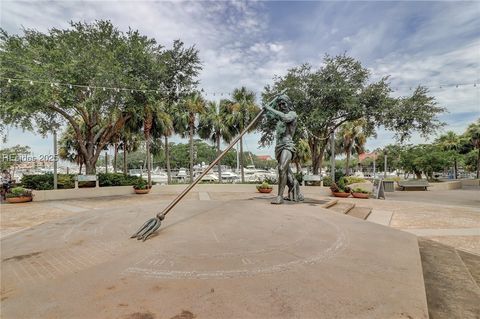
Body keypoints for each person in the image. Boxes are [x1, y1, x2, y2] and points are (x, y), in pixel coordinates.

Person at [264, 94, 304, 204]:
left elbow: (285, 117)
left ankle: (279, 197)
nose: (281, 106)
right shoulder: (279, 117)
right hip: (279, 147)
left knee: (282, 168)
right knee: (286, 172)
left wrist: (270, 108)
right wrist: (267, 107)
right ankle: (295, 190)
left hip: (288, 145)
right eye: (279, 104)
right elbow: (269, 115)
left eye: (283, 103)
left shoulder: (292, 114)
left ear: (289, 104)